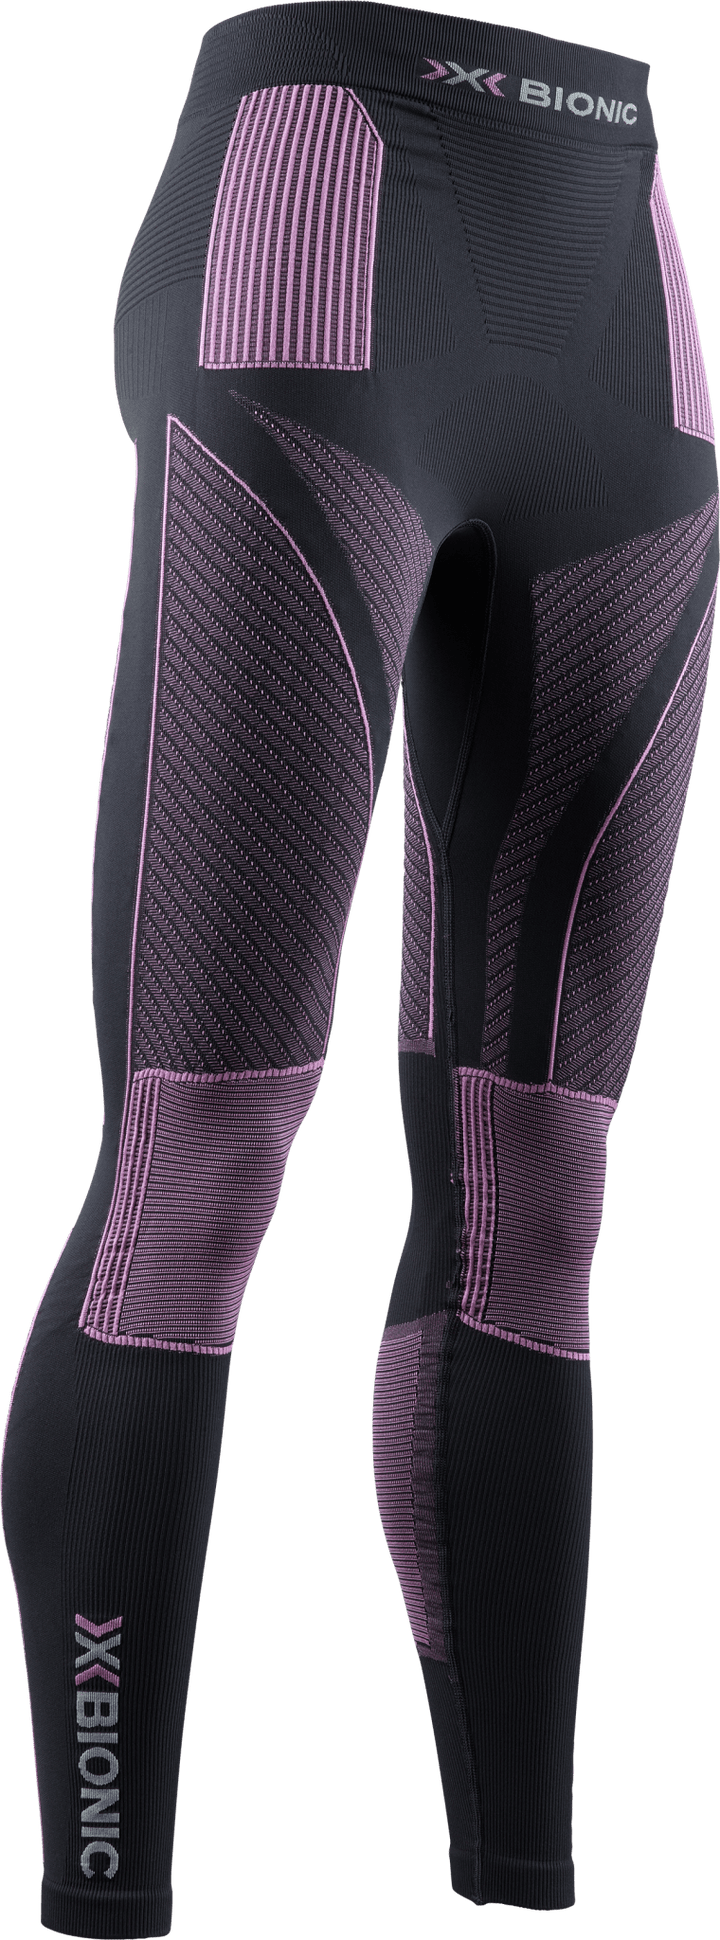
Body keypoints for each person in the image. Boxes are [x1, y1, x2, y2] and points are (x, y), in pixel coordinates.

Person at [2, 5, 717, 1935]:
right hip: (317, 236)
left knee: (539, 1190)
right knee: (200, 1156)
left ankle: (520, 1881)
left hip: (623, 288)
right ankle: (105, 1883)